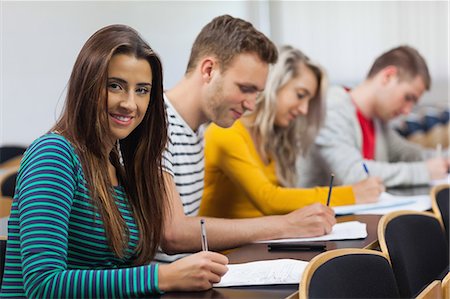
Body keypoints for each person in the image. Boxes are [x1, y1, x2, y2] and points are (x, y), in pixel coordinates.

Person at [0, 25, 228, 298]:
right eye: (115, 86)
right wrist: (161, 277)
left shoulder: (119, 163)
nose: (130, 103)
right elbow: (44, 284)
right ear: (87, 85)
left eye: (142, 90)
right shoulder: (54, 154)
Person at [158, 15, 336, 262]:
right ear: (208, 70)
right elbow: (173, 234)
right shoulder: (156, 124)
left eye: (257, 92)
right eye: (245, 88)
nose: (251, 105)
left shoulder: (197, 130)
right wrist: (284, 225)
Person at [198, 46, 383, 219]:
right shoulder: (225, 133)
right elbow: (269, 199)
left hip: (263, 243)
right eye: (300, 95)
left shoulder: (272, 137)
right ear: (274, 85)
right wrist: (352, 193)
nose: (304, 110)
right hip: (228, 251)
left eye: (309, 101)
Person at [298, 45, 449, 188]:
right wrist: (424, 172)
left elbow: (409, 154)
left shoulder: (377, 120)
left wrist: (445, 159)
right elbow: (353, 174)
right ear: (388, 77)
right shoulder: (332, 108)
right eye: (408, 97)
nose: (407, 111)